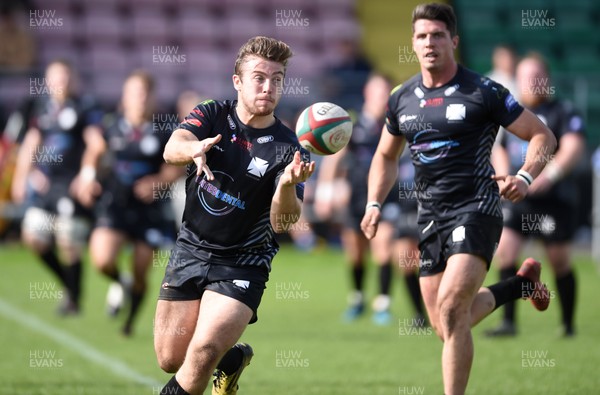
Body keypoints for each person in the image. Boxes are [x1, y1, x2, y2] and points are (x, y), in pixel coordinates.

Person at [360, 4, 556, 395]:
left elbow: (543, 136)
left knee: (452, 309)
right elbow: (385, 155)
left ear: (453, 40)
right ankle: (518, 287)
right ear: (412, 44)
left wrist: (525, 175)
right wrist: (374, 203)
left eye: (436, 35)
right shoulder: (402, 98)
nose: (429, 43)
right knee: (446, 324)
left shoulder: (483, 91)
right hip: (430, 216)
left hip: (477, 209)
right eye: (421, 36)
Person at [154, 36, 315, 395]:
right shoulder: (212, 113)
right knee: (169, 359)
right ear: (237, 81)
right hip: (190, 249)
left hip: (243, 263)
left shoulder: (290, 148)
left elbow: (283, 224)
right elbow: (171, 149)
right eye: (259, 77)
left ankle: (216, 355)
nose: (268, 86)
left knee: (202, 351)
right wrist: (193, 148)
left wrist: (288, 185)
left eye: (277, 79)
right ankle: (232, 360)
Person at [486, 53, 586, 337]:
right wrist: (507, 176)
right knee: (505, 250)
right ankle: (508, 322)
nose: (530, 82)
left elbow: (573, 147)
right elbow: (499, 147)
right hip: (520, 198)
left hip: (552, 201)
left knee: (558, 260)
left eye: (535, 76)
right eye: (525, 77)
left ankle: (567, 324)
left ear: (547, 79)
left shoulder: (564, 111)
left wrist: (548, 175)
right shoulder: (513, 113)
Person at [315, 74, 423, 325]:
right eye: (376, 92)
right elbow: (334, 159)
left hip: (387, 196)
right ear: (366, 94)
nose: (380, 98)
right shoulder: (351, 124)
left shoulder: (396, 124)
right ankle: (358, 298)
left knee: (383, 247)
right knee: (355, 253)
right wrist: (325, 193)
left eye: (385, 93)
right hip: (355, 198)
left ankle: (382, 303)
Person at [89, 70, 183, 336]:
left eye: (145, 94)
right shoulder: (111, 124)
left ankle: (129, 323)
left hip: (150, 209)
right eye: (134, 93)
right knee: (102, 260)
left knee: (142, 268)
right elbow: (94, 152)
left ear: (153, 97)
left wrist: (158, 181)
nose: (140, 99)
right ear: (125, 96)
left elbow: (176, 166)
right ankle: (121, 282)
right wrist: (87, 176)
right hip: (115, 204)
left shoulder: (166, 127)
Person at [11, 59, 104, 314]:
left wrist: (86, 174)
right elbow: (31, 143)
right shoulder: (41, 107)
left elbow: (96, 144)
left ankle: (73, 300)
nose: (60, 82)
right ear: (47, 81)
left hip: (72, 185)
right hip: (46, 186)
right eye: (55, 77)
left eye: (65, 77)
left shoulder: (85, 107)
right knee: (33, 237)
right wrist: (24, 176)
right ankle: (69, 284)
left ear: (73, 80)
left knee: (67, 239)